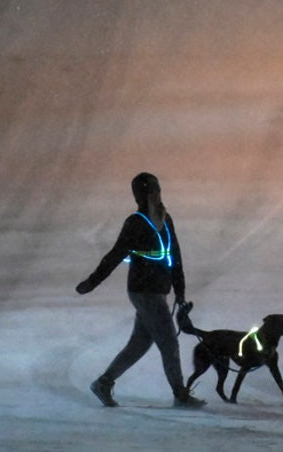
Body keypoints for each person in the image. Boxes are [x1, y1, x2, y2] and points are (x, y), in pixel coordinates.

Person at [76, 171, 206, 409]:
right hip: (143, 291)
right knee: (169, 342)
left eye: (158, 190)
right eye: (153, 191)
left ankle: (103, 383)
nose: (157, 195)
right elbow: (115, 255)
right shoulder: (135, 223)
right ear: (143, 195)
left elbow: (175, 256)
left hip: (158, 291)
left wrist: (180, 292)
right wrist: (92, 282)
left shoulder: (166, 220)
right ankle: (180, 394)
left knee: (139, 344)